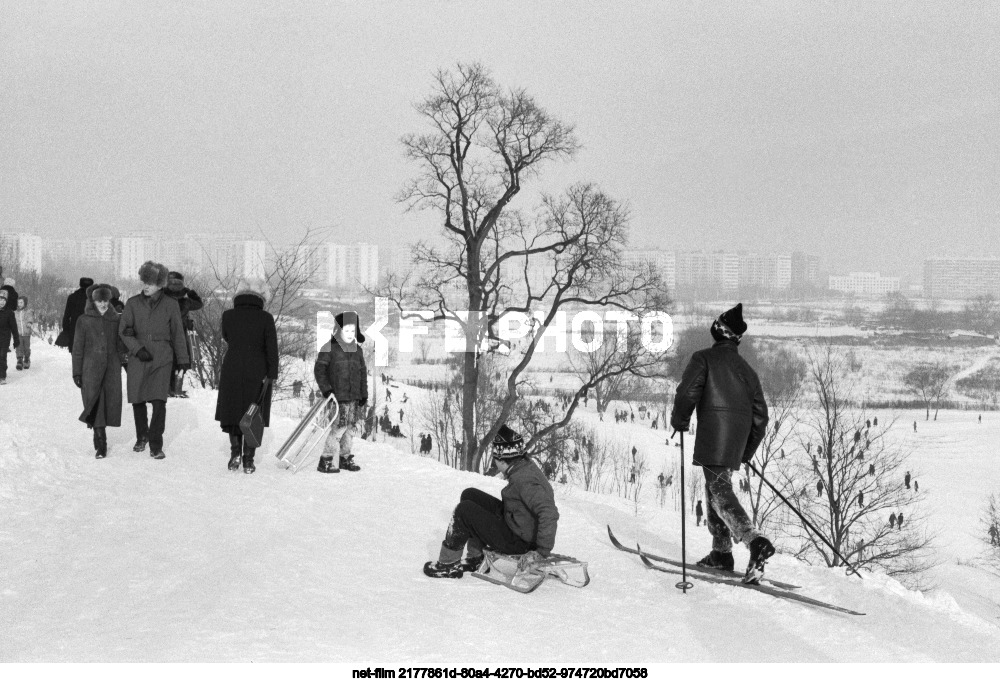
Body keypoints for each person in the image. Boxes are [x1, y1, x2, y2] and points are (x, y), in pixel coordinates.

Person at [670, 303, 773, 584]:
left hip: (714, 439)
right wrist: (745, 451)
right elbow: (761, 418)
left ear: (719, 331)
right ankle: (721, 553)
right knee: (714, 491)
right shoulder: (748, 372)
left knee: (720, 494)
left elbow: (686, 393)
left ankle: (755, 541)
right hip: (734, 443)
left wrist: (679, 421)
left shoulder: (703, 359)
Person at [423, 424, 559, 579]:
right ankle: (476, 558)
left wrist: (541, 552)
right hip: (517, 523)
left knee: (464, 510)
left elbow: (549, 512)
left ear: (501, 460)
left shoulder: (525, 480)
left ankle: (448, 565)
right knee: (469, 495)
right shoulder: (522, 466)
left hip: (520, 542)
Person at [119, 261, 189, 460]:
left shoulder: (171, 304)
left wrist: (183, 359)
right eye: (144, 281)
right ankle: (142, 436)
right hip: (138, 357)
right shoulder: (132, 303)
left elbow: (177, 334)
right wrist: (137, 349)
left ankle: (156, 443)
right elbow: (123, 331)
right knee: (138, 399)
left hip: (162, 357)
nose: (146, 286)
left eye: (150, 282)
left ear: (160, 284)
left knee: (159, 401)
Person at [214, 289, 278, 474]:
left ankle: (235, 455)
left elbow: (226, 337)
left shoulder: (228, 315)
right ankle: (249, 460)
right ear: (260, 299)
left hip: (232, 366)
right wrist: (271, 374)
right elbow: (272, 348)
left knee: (233, 410)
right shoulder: (265, 318)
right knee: (253, 412)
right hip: (257, 368)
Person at [71, 284, 126, 458]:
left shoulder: (116, 319)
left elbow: (121, 345)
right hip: (90, 370)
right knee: (94, 403)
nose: (102, 304)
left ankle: (98, 435)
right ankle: (101, 443)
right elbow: (77, 348)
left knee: (107, 403)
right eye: (99, 300)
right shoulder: (83, 320)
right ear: (92, 301)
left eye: (105, 300)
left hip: (111, 369)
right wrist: (77, 372)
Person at [314, 311, 368, 473]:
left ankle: (345, 458)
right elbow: (319, 370)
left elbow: (363, 373)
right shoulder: (329, 348)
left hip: (354, 397)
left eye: (353, 330)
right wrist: (327, 390)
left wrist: (363, 393)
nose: (350, 334)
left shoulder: (358, 350)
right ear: (338, 330)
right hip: (337, 397)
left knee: (350, 429)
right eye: (347, 330)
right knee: (338, 428)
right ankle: (326, 460)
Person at [163, 271, 203, 398]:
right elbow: (199, 304)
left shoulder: (162, 298)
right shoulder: (186, 301)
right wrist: (191, 292)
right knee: (181, 360)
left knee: (167, 360)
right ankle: (176, 388)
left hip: (165, 334)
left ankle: (167, 388)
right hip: (181, 334)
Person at [59, 277, 94, 352]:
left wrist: (66, 331)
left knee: (76, 358)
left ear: (80, 284)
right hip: (91, 334)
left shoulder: (72, 297)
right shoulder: (94, 299)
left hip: (75, 333)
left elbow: (66, 317)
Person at [0, 289, 20, 385]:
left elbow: (14, 327)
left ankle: (2, 376)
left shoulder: (9, 313)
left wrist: (16, 339)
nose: (2, 302)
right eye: (0, 300)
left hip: (4, 338)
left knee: (2, 356)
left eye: (4, 300)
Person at [14, 297, 34, 370]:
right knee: (19, 347)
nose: (19, 304)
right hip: (18, 333)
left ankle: (26, 359)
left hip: (26, 333)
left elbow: (30, 318)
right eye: (18, 302)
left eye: (21, 302)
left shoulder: (28, 312)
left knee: (26, 347)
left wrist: (29, 323)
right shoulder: (15, 312)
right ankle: (19, 360)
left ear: (25, 303)